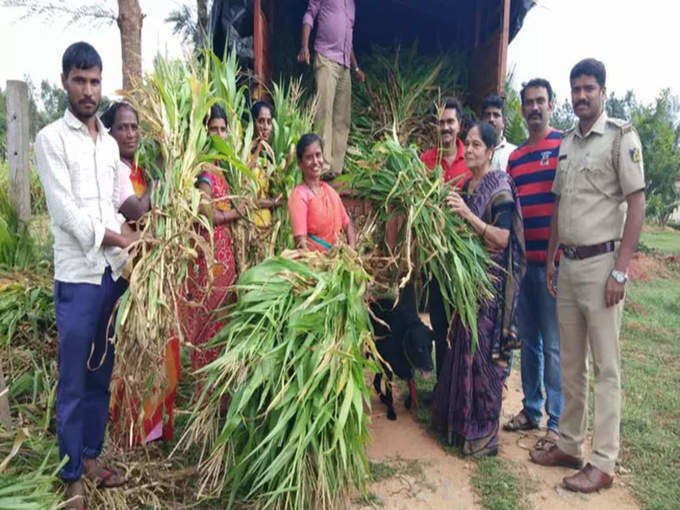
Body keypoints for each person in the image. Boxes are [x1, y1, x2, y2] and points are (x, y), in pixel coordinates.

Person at [530, 59, 645, 493]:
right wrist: (550, 257)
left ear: (603, 91)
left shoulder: (619, 138)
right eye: (576, 89)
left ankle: (603, 461)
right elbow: (560, 205)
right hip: (569, 265)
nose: (581, 96)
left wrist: (622, 269)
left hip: (602, 268)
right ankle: (570, 443)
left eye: (589, 89)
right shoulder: (568, 144)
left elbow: (637, 203)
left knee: (606, 368)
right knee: (571, 362)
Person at [34, 42, 138, 509]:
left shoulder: (111, 146)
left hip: (110, 277)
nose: (88, 90)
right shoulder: (50, 140)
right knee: (74, 378)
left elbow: (116, 208)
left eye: (95, 81)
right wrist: (120, 240)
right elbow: (69, 216)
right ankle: (72, 474)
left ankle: (92, 457)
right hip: (77, 279)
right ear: (64, 82)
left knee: (101, 373)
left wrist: (135, 244)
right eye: (79, 80)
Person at [431, 122, 526, 457]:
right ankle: (460, 426)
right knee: (464, 352)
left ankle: (485, 434)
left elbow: (502, 237)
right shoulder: (466, 186)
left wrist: (469, 216)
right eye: (466, 144)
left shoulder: (498, 186)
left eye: (476, 145)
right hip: (468, 286)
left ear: (489, 150)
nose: (469, 150)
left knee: (484, 357)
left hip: (491, 289)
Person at [102, 102, 181, 447]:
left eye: (135, 127)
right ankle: (130, 432)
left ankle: (152, 429)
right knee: (136, 347)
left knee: (161, 345)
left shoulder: (137, 169)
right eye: (123, 127)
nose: (131, 133)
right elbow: (136, 209)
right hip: (130, 273)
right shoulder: (116, 171)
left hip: (151, 269)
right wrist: (161, 178)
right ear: (110, 132)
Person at [503, 79, 563, 450]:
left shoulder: (562, 146)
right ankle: (532, 408)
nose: (535, 108)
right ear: (522, 109)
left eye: (541, 101)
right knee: (529, 343)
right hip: (524, 267)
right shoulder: (516, 158)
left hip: (555, 265)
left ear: (552, 105)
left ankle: (556, 422)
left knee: (555, 344)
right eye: (529, 102)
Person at [185, 104, 240, 371]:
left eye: (222, 129)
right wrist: (235, 213)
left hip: (224, 254)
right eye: (213, 129)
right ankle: (202, 388)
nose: (218, 134)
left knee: (222, 318)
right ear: (204, 132)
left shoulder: (220, 167)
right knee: (209, 320)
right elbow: (206, 211)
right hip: (211, 256)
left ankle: (216, 393)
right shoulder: (205, 170)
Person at [421, 96, 472, 381]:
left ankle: (461, 387)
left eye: (450, 121)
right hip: (437, 259)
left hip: (465, 257)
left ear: (460, 125)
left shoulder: (472, 159)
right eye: (440, 122)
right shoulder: (425, 161)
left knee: (463, 325)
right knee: (440, 324)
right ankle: (442, 389)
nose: (445, 127)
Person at [298, 0, 365, 179]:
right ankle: (323, 165)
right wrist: (304, 46)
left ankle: (336, 167)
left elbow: (347, 40)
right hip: (326, 58)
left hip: (344, 65)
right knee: (323, 112)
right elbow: (309, 15)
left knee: (342, 118)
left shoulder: (351, 5)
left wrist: (356, 67)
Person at [287, 133, 356, 251]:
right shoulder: (299, 196)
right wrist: (317, 263)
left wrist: (351, 251)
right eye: (309, 157)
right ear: (300, 163)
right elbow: (300, 243)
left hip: (335, 262)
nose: (315, 161)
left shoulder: (330, 192)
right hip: (311, 264)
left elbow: (348, 224)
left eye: (318, 155)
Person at [249, 100, 282, 228]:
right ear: (253, 123)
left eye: (269, 122)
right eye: (261, 121)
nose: (265, 126)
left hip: (267, 225)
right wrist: (274, 202)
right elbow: (249, 199)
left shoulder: (270, 158)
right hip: (251, 224)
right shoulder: (246, 154)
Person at [482, 94, 517, 172]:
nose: (491, 119)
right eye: (488, 115)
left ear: (504, 122)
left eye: (496, 115)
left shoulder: (514, 153)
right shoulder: (472, 152)